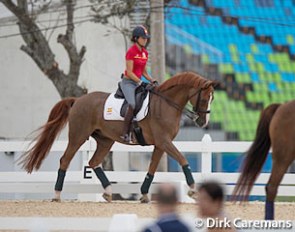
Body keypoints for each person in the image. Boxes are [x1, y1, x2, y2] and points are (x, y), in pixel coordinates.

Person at [120, 25, 157, 142]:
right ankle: (125, 133)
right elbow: (130, 72)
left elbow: (144, 71)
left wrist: (151, 80)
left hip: (138, 83)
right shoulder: (131, 52)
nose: (145, 40)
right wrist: (140, 82)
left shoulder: (145, 53)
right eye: (143, 38)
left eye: (146, 38)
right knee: (132, 103)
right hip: (128, 83)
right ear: (136, 38)